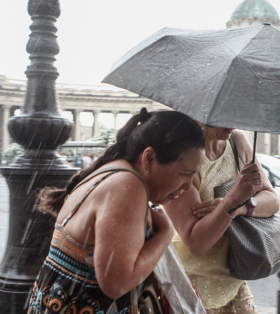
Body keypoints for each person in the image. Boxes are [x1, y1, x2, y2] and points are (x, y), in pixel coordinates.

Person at [27, 108, 205, 314]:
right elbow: (117, 284)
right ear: (149, 158)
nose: (188, 186)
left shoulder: (114, 172)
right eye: (185, 174)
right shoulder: (127, 186)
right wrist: (165, 233)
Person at [165, 127, 279, 313]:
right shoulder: (182, 155)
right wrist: (230, 202)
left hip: (233, 276)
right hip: (194, 286)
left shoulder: (236, 140)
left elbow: (272, 200)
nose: (232, 123)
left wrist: (241, 207)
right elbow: (197, 243)